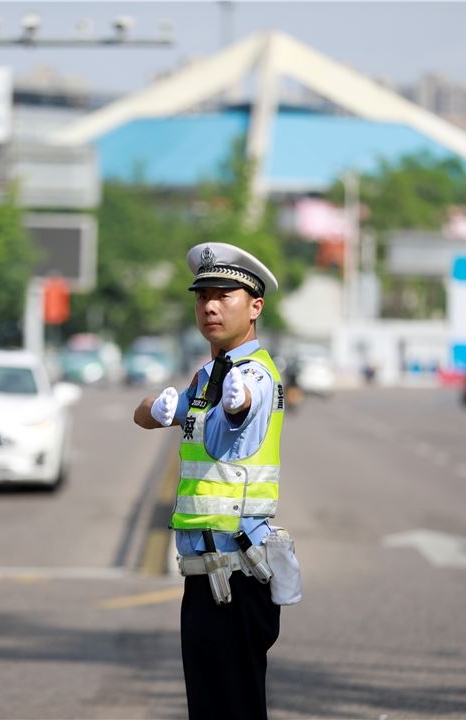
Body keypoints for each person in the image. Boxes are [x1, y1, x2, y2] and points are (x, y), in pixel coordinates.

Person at [134, 242, 286, 720]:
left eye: (224, 296)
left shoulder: (254, 375)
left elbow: (244, 409)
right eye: (202, 297)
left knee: (234, 707)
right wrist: (157, 408)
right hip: (207, 575)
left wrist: (238, 404)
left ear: (255, 306)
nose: (210, 307)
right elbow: (146, 415)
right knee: (209, 708)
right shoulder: (208, 377)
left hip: (237, 575)